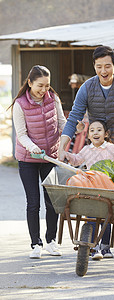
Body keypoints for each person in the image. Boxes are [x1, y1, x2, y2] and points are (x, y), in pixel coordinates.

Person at [58, 46, 114, 258]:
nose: (103, 70)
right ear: (94, 67)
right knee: (94, 191)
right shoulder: (87, 87)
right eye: (99, 67)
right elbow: (74, 118)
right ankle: (93, 239)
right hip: (96, 148)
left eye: (107, 66)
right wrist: (62, 146)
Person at [10, 65, 66, 259]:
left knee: (52, 202)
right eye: (40, 86)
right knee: (33, 203)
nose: (44, 90)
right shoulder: (20, 104)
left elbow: (62, 124)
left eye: (47, 86)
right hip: (28, 159)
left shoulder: (53, 99)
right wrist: (32, 147)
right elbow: (22, 134)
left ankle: (51, 242)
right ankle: (36, 244)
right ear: (30, 83)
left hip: (50, 157)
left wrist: (73, 130)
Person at [66, 120, 114, 259]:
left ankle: (105, 247)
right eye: (92, 130)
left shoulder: (111, 148)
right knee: (91, 216)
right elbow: (76, 160)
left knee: (107, 216)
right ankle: (93, 248)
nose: (95, 133)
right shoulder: (86, 150)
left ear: (106, 134)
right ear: (88, 135)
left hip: (106, 186)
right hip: (91, 187)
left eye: (99, 130)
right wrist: (67, 156)